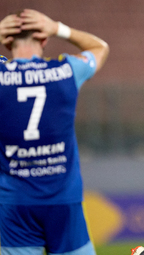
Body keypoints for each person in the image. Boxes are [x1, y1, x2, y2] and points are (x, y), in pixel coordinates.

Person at [0, 9, 109, 255]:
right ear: (44, 39)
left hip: (15, 203)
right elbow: (100, 47)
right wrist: (59, 28)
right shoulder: (67, 71)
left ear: (7, 41)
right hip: (63, 201)